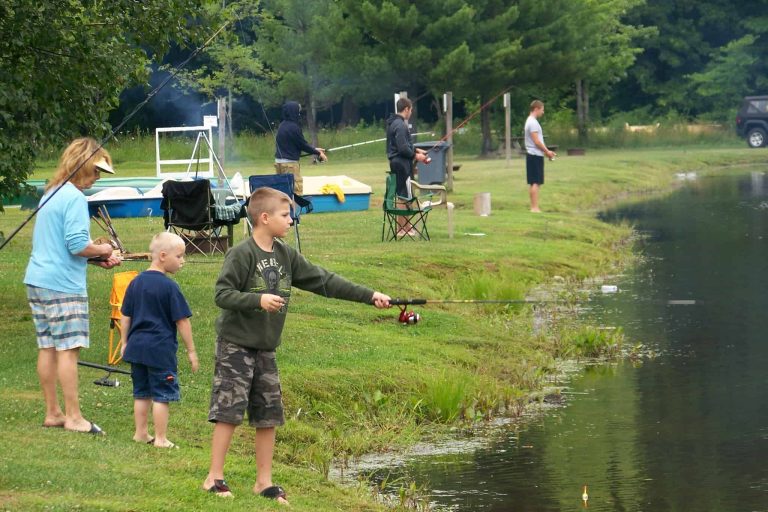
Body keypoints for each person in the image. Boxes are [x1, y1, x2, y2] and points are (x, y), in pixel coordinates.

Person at [201, 187, 391, 503]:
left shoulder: (285, 255)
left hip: (266, 347)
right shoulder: (242, 253)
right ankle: (214, 478)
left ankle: (263, 483)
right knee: (228, 411)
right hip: (236, 344)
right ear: (264, 218)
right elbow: (222, 294)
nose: (291, 220)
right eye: (285, 215)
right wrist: (257, 300)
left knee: (269, 413)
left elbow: (324, 280)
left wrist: (370, 296)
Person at [24, 137, 121, 434]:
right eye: (95, 170)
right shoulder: (75, 198)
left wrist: (96, 259)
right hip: (62, 285)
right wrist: (105, 250)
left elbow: (59, 245)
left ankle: (53, 413)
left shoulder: (51, 192)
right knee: (68, 349)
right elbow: (77, 245)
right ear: (82, 165)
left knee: (48, 347)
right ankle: (74, 417)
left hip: (37, 280)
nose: (98, 177)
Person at [119, 232, 198, 448]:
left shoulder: (135, 282)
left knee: (141, 393)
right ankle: (161, 438)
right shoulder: (170, 287)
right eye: (179, 256)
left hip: (137, 348)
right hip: (160, 350)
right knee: (162, 395)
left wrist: (124, 342)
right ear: (163, 256)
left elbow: (125, 316)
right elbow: (182, 321)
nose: (183, 261)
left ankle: (141, 433)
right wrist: (191, 351)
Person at [386, 97, 429, 237]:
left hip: (398, 162)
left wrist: (416, 150)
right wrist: (416, 156)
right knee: (403, 195)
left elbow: (402, 145)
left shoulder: (394, 123)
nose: (411, 112)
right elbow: (403, 148)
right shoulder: (400, 125)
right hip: (401, 163)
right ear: (406, 109)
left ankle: (407, 227)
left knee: (405, 193)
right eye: (411, 110)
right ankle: (402, 229)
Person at [274, 101, 327, 195]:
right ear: (293, 112)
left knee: (283, 191)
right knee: (295, 191)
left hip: (279, 163)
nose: (299, 114)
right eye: (298, 111)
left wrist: (315, 149)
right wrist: (319, 153)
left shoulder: (282, 125)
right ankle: (294, 205)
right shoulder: (294, 127)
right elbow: (302, 145)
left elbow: (296, 144)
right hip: (289, 165)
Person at [524, 99, 556, 213]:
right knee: (536, 182)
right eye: (542, 110)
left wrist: (546, 152)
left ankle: (534, 207)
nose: (543, 112)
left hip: (533, 155)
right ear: (536, 109)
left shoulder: (530, 121)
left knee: (534, 182)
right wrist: (547, 151)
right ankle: (534, 208)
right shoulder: (532, 122)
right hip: (535, 155)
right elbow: (536, 141)